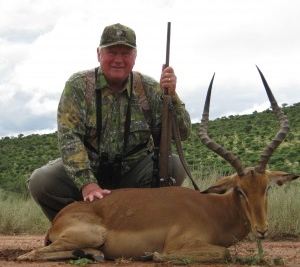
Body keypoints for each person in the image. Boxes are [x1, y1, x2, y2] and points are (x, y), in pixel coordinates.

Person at [29, 23, 192, 221]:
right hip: (91, 169)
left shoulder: (149, 88)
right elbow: (69, 139)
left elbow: (182, 133)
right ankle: (76, 230)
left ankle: (141, 229)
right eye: (112, 52)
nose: (118, 60)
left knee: (174, 165)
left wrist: (172, 95)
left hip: (133, 173)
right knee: (42, 182)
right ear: (99, 54)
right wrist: (87, 183)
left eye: (126, 53)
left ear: (135, 56)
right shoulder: (78, 85)